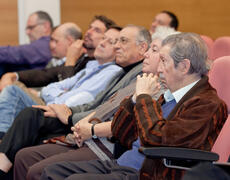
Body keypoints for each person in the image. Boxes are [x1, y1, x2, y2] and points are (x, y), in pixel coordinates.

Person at [0, 25, 151, 180]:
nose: (116, 45)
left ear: (143, 48)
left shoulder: (135, 76)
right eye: (114, 41)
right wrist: (68, 111)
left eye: (120, 41)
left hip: (97, 137)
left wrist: (72, 117)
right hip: (75, 117)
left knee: (12, 96)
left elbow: (100, 107)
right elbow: (80, 95)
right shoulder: (116, 71)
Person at [39, 32, 228, 180]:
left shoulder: (206, 104)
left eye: (163, 61)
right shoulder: (167, 95)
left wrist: (145, 98)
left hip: (147, 174)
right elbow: (121, 132)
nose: (159, 68)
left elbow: (155, 139)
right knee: (52, 172)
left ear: (184, 66)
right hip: (122, 164)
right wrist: (134, 100)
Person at [10, 26, 178, 180]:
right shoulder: (140, 80)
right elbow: (103, 106)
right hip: (90, 136)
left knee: (40, 169)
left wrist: (88, 128)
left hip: (107, 146)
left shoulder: (159, 89)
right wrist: (81, 124)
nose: (147, 54)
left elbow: (132, 125)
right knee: (24, 156)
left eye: (153, 50)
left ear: (168, 60)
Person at [0, 15, 114, 142]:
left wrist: (70, 61)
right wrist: (14, 76)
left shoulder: (98, 65)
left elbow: (69, 92)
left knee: (5, 88)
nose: (89, 32)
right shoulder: (89, 61)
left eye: (97, 30)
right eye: (90, 27)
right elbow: (46, 75)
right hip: (46, 99)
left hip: (60, 112)